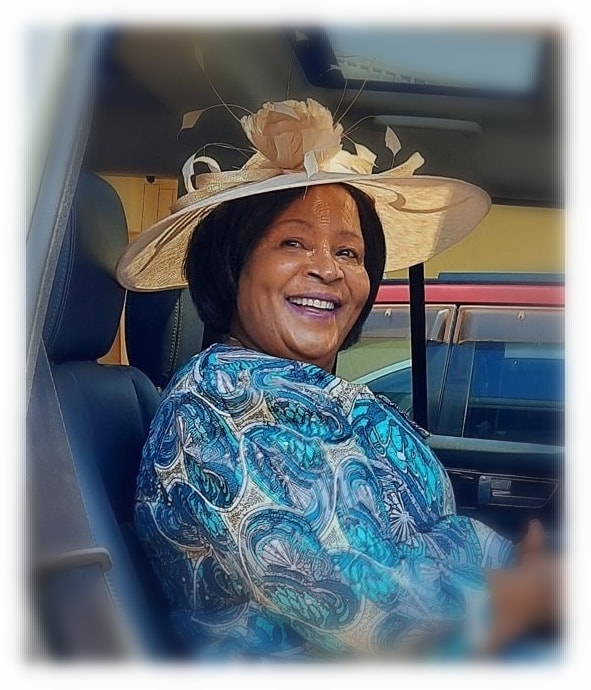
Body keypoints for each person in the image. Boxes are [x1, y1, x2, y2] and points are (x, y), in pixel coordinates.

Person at [116, 98, 560, 659]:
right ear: (232, 266)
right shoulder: (220, 412)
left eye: (349, 252)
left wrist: (512, 560)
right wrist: (534, 587)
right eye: (292, 242)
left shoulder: (302, 388)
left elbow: (416, 542)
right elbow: (382, 619)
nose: (328, 269)